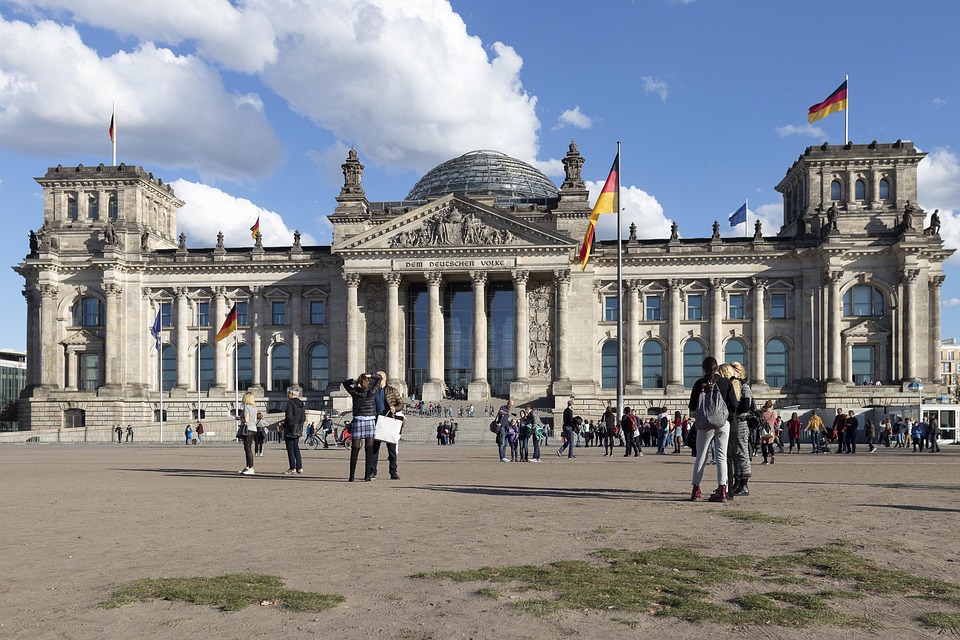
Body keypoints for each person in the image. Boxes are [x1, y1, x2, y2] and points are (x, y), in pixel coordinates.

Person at [688, 357, 738, 502]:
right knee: (721, 457)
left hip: (704, 424)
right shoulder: (725, 383)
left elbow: (692, 405)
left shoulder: (699, 384)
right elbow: (734, 404)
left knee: (701, 457)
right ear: (716, 368)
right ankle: (722, 490)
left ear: (703, 368)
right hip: (722, 423)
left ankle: (696, 490)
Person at [343, 372, 382, 481]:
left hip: (358, 420)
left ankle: (351, 476)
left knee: (355, 449)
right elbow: (379, 378)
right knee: (369, 449)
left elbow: (345, 383)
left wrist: (356, 381)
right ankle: (367, 476)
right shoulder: (371, 392)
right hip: (370, 421)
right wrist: (370, 375)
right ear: (368, 382)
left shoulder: (354, 392)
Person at [370, 371, 403, 480]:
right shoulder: (372, 391)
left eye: (378, 377)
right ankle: (372, 471)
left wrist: (395, 408)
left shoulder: (392, 390)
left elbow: (401, 403)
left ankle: (393, 471)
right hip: (375, 421)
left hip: (388, 421)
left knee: (392, 450)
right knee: (374, 449)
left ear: (384, 378)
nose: (376, 379)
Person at [728, 362, 754, 497]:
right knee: (735, 454)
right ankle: (737, 481)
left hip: (742, 423)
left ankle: (744, 484)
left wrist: (733, 407)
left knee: (742, 453)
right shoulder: (734, 386)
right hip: (735, 422)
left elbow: (745, 406)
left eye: (734, 370)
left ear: (739, 372)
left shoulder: (744, 387)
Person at [282, 387, 306, 475]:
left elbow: (288, 417)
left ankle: (292, 468)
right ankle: (299, 467)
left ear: (292, 394)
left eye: (289, 393)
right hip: (298, 427)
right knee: (296, 447)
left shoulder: (290, 403)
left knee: (290, 448)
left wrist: (284, 425)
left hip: (291, 427)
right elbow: (303, 417)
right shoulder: (302, 404)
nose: (288, 395)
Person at [239, 392, 257, 475]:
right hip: (253, 429)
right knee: (247, 448)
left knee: (248, 449)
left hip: (248, 429)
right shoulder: (254, 408)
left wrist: (239, 418)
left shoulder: (246, 407)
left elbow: (246, 420)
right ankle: (247, 466)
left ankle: (250, 467)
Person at [760, 401, 777, 465]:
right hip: (771, 430)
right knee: (770, 445)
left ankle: (765, 460)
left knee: (764, 446)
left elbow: (761, 422)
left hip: (764, 431)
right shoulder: (774, 413)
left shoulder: (764, 414)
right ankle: (772, 455)